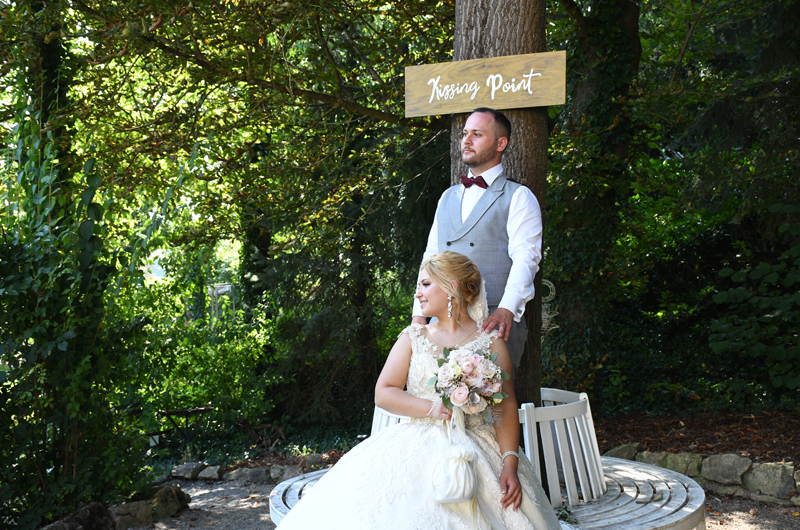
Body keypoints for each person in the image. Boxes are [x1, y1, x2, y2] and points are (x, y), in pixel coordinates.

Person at [277, 252, 564, 530]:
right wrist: (431, 408)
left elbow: (505, 406)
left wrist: (509, 464)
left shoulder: (491, 343)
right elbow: (384, 392)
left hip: (478, 443)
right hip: (416, 442)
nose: (418, 294)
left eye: (425, 284)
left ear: (451, 286)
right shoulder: (413, 337)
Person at [412, 108, 543, 368]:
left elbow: (526, 257)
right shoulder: (446, 197)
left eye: (477, 134)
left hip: (492, 322)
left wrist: (507, 309)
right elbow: (430, 258)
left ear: (500, 144)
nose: (466, 140)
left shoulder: (519, 196)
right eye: (464, 134)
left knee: (488, 393)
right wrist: (419, 315)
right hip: (441, 322)